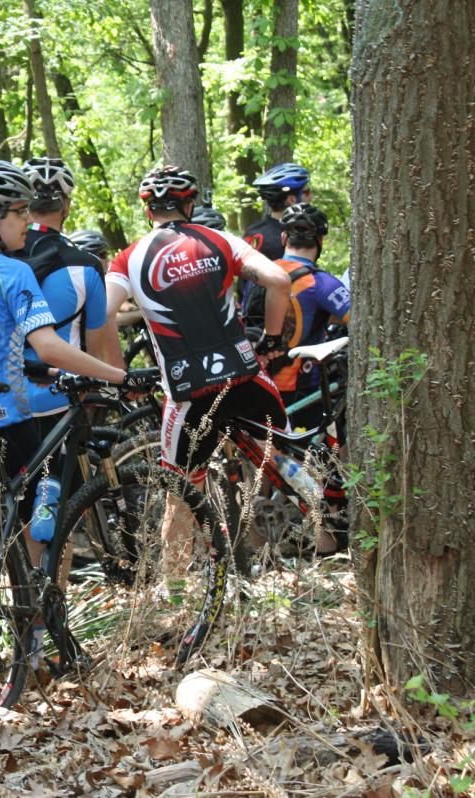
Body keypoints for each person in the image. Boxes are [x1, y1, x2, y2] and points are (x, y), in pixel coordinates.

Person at [0, 159, 148, 675]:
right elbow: (48, 347)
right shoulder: (13, 271)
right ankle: (36, 654)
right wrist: (116, 377)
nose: (28, 221)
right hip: (13, 423)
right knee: (41, 534)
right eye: (19, 212)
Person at [104, 165, 291, 575]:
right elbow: (278, 280)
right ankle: (317, 520)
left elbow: (102, 317)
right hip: (246, 375)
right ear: (189, 203)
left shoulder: (128, 257)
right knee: (282, 454)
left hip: (191, 392)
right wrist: (273, 343)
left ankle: (171, 597)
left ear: (147, 209)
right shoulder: (219, 238)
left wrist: (120, 375)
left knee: (180, 492)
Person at [15, 157, 123, 436]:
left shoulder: (0, 256)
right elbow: (96, 349)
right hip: (59, 397)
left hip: (2, 399)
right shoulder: (85, 265)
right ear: (67, 207)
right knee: (70, 478)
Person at [266, 204, 351, 418]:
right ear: (320, 241)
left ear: (284, 238)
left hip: (259, 379)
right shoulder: (322, 283)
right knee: (324, 445)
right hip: (302, 387)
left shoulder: (262, 273)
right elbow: (361, 322)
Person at [241, 162, 311, 325]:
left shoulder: (254, 232)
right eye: (307, 192)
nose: (311, 197)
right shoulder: (296, 236)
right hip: (285, 320)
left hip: (252, 319)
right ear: (292, 199)